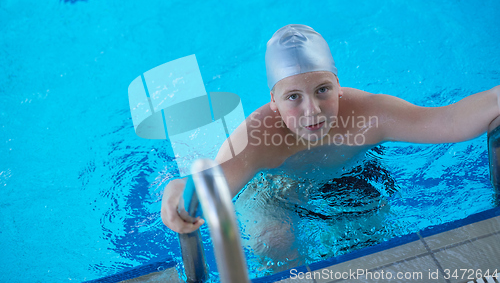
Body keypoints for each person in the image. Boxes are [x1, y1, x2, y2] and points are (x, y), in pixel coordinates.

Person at [161, 24, 500, 265]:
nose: (312, 110)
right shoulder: (258, 138)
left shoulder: (370, 115)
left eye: (322, 89)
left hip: (349, 173)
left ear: (338, 85)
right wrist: (178, 189)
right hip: (274, 189)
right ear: (274, 103)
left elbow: (447, 121)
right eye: (293, 97)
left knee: (370, 236)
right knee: (273, 244)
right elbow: (215, 183)